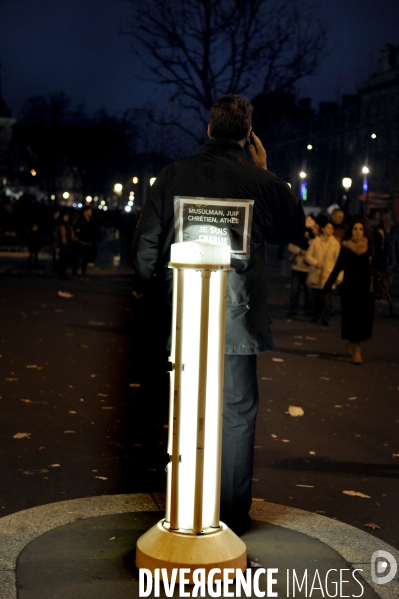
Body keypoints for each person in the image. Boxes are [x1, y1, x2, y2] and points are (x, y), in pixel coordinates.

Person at [131, 94, 305, 535]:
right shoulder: (258, 182)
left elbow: (145, 252)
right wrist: (264, 172)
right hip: (237, 317)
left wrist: (166, 293)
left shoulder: (172, 176)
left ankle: (182, 504)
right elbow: (292, 229)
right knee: (237, 413)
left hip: (184, 312)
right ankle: (230, 514)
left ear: (208, 129)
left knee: (182, 404)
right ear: (248, 135)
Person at [323, 219, 375, 364]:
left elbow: (378, 265)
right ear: (351, 231)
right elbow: (338, 267)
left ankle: (356, 344)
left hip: (364, 289)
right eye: (355, 229)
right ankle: (355, 347)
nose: (358, 232)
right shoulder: (345, 247)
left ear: (364, 231)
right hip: (349, 289)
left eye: (360, 229)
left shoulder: (369, 246)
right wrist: (327, 287)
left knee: (362, 319)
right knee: (351, 317)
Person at [306, 220, 341, 325]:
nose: (330, 230)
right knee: (315, 298)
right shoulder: (316, 241)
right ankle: (316, 315)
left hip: (328, 274)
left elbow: (338, 261)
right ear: (323, 229)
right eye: (328, 228)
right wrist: (316, 262)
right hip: (316, 274)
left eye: (332, 228)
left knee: (327, 298)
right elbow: (308, 256)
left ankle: (325, 319)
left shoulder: (335, 244)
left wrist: (339, 276)